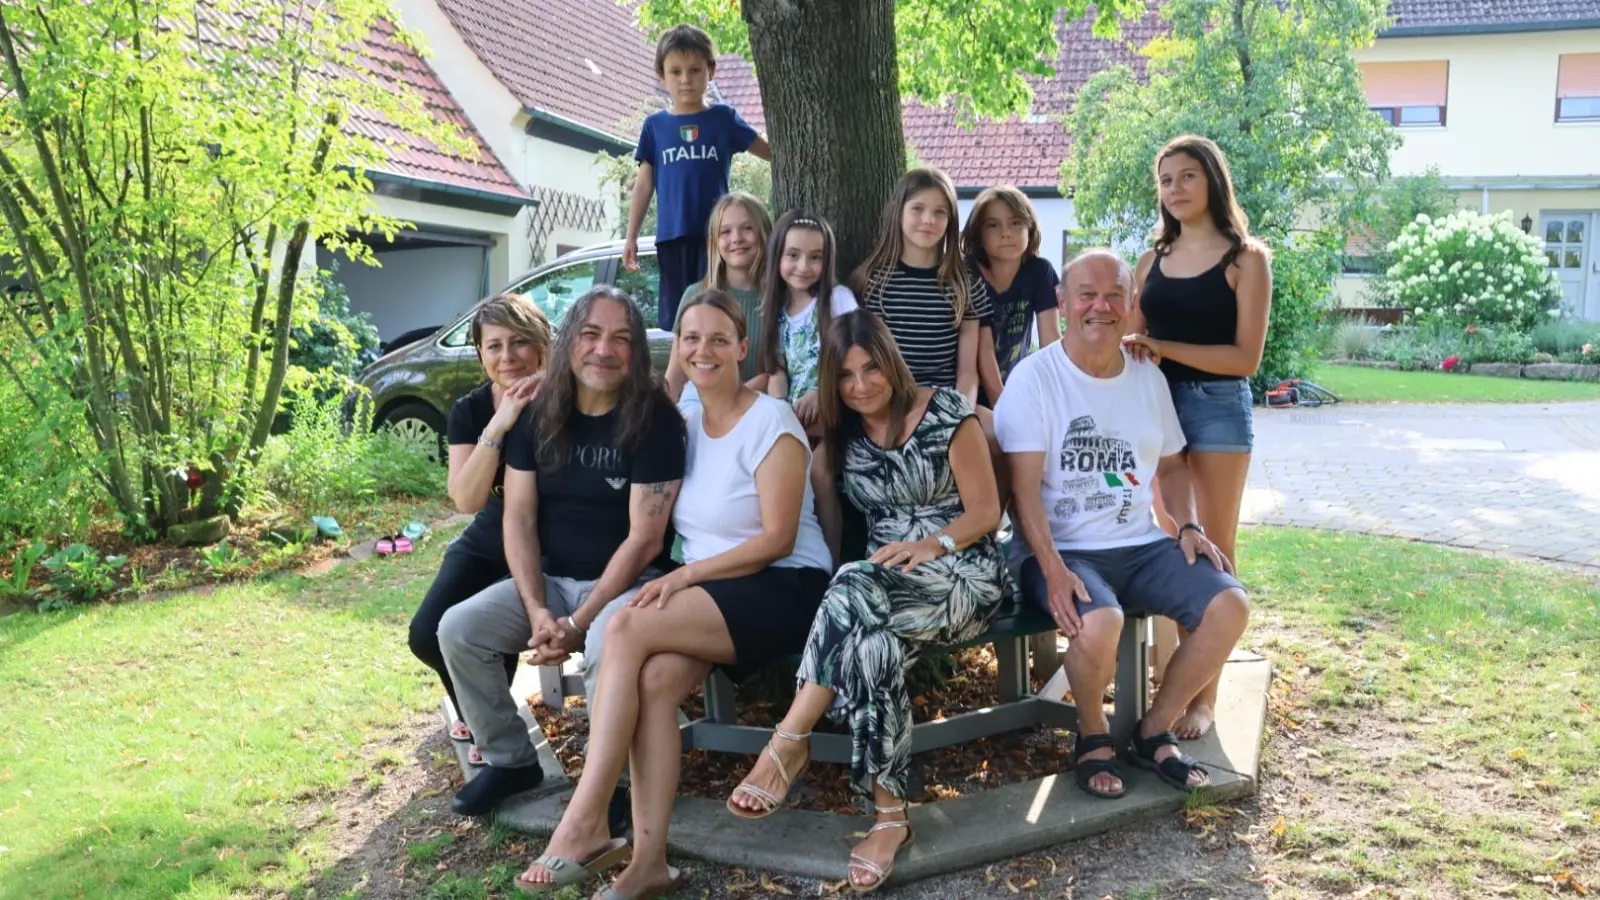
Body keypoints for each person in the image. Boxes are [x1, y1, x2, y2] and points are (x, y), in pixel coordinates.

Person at [514, 290, 832, 899]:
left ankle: (585, 818)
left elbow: (778, 538)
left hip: (787, 585)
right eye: (691, 338)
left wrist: (683, 576)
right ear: (677, 348)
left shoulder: (771, 419)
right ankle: (649, 862)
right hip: (717, 592)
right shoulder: (682, 420)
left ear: (742, 348)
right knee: (655, 683)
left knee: (625, 625)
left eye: (719, 339)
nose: (703, 350)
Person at [727, 311, 1008, 892]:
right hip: (881, 588)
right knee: (873, 645)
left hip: (962, 572)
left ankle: (788, 741)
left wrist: (931, 544)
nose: (860, 385)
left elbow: (987, 511)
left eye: (871, 368)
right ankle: (889, 820)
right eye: (846, 375)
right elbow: (829, 512)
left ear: (891, 362)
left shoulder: (946, 412)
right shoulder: (843, 432)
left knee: (855, 584)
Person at [995, 249, 1250, 801]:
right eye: (1086, 294)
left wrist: (1187, 525)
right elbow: (1022, 492)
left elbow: (1172, 466)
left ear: (1132, 303)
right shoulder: (1035, 378)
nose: (1101, 306)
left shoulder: (1147, 378)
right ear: (1062, 302)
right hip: (1060, 547)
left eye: (1115, 295)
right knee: (1101, 620)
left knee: (1230, 604)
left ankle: (1153, 730)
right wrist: (1053, 568)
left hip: (1140, 543)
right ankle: (1093, 737)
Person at [437, 287, 687, 821]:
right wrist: (537, 611)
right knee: (458, 629)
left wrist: (579, 620)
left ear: (636, 351)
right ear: (570, 340)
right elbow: (518, 517)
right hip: (552, 581)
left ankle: (614, 781)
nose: (604, 349)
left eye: (621, 338)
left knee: (604, 645)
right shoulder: (538, 413)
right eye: (591, 334)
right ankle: (510, 760)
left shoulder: (655, 419)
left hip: (633, 584)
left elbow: (645, 538)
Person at [1126, 135, 1272, 740]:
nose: (1175, 189)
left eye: (1187, 176)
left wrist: (1164, 347)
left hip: (1216, 410)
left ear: (1212, 179)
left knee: (1213, 549)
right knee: (1171, 548)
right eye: (1165, 180)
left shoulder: (1246, 259)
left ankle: (1203, 701)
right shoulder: (1150, 261)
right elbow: (1132, 344)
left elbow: (1245, 359)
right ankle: (1175, 681)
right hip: (1156, 410)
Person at [409, 295, 550, 768]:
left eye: (519, 342)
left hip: (547, 541)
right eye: (494, 346)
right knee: (426, 633)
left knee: (487, 632)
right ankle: (477, 710)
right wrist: (501, 422)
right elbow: (466, 499)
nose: (507, 356)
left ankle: (490, 726)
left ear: (542, 345)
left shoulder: (566, 399)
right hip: (490, 534)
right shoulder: (469, 410)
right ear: (480, 355)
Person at [623, 24, 771, 331]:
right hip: (672, 238)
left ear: (711, 71)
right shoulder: (655, 126)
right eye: (675, 71)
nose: (685, 79)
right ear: (662, 75)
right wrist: (631, 236)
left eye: (694, 70)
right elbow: (644, 184)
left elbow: (771, 152)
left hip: (717, 239)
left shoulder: (724, 119)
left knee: (717, 313)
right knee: (681, 321)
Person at [853, 167, 993, 407]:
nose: (928, 220)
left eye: (940, 212)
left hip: (943, 404)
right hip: (886, 404)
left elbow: (968, 373)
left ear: (950, 220)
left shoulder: (965, 284)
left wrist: (960, 413)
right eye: (917, 209)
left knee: (997, 427)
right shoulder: (870, 282)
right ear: (899, 212)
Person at [664, 192, 772, 405]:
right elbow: (675, 376)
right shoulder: (695, 296)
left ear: (765, 233)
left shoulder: (781, 298)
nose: (736, 238)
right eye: (725, 232)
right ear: (713, 243)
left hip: (763, 416)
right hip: (704, 414)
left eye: (747, 228)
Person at [756, 210, 857, 437]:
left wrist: (822, 393)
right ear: (777, 256)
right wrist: (781, 408)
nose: (803, 266)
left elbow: (858, 355)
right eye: (793, 255)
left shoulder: (837, 299)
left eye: (815, 257)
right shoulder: (777, 311)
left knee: (821, 461)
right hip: (795, 421)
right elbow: (778, 370)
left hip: (835, 413)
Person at [961, 185, 1061, 405]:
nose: (1005, 233)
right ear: (978, 234)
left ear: (1030, 228)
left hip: (1017, 386)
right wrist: (1004, 409)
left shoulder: (1040, 271)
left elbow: (1050, 341)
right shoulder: (968, 273)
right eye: (993, 225)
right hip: (969, 391)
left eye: (1015, 223)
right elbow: (984, 352)